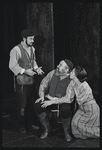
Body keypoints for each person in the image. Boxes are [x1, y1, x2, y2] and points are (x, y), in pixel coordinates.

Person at [9, 29, 44, 134]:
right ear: (24, 39)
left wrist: (37, 69)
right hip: (22, 83)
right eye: (31, 39)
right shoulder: (16, 50)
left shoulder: (32, 49)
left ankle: (30, 123)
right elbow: (12, 65)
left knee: (30, 104)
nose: (33, 40)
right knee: (22, 106)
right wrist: (25, 71)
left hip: (31, 82)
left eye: (33, 38)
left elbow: (33, 62)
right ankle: (22, 125)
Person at [35, 59, 75, 142]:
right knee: (38, 104)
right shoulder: (52, 73)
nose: (57, 66)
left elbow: (68, 98)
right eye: (58, 64)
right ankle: (47, 128)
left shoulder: (72, 79)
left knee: (65, 109)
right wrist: (42, 96)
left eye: (60, 65)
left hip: (63, 101)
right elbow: (43, 84)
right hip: (49, 97)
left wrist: (52, 102)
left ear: (67, 69)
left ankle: (66, 132)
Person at [70, 66, 100, 139]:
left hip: (91, 110)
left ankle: (97, 133)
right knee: (74, 123)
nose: (70, 72)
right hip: (82, 109)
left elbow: (80, 101)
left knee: (86, 126)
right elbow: (69, 97)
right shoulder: (73, 82)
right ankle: (83, 135)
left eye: (72, 72)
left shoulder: (85, 86)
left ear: (75, 76)